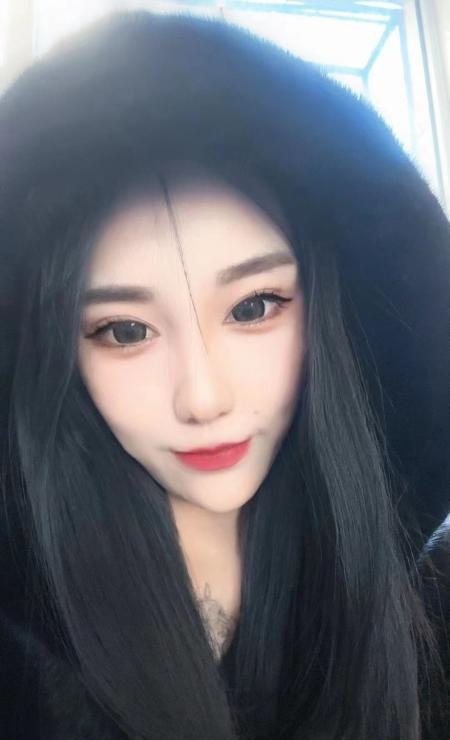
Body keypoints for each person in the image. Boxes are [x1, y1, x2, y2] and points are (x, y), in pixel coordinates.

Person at [0, 9, 449, 740]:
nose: (204, 398)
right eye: (125, 331)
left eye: (253, 307)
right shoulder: (23, 644)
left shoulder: (418, 603)